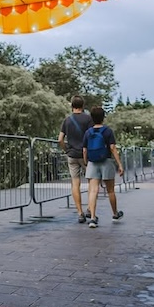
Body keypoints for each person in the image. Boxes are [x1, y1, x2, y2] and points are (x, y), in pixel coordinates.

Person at [82, 106, 124, 229]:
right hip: (106, 161)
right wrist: (119, 164)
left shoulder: (88, 132)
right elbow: (112, 148)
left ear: (92, 118)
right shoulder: (107, 131)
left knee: (93, 190)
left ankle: (93, 218)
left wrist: (86, 162)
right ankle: (115, 213)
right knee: (110, 190)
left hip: (92, 162)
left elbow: (84, 150)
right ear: (103, 117)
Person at [58, 95, 93, 223]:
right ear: (83, 106)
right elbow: (92, 135)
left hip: (72, 155)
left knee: (75, 183)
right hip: (86, 155)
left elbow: (60, 139)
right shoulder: (88, 119)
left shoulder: (67, 120)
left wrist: (66, 150)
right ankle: (90, 208)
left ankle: (80, 213)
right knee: (91, 182)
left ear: (72, 106)